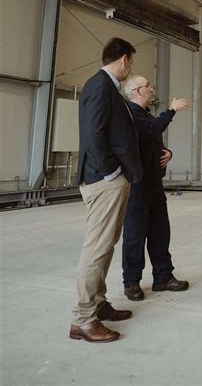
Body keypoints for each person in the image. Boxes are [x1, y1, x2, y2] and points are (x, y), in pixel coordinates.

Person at [70, 37, 142, 343]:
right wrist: (113, 172)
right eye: (132, 62)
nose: (130, 68)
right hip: (104, 180)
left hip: (106, 178)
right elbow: (94, 133)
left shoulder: (105, 86)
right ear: (124, 59)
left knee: (106, 245)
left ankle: (97, 304)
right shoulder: (100, 85)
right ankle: (83, 319)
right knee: (97, 248)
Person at [121, 76, 190, 300]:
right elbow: (151, 129)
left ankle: (163, 277)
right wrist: (171, 110)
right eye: (148, 85)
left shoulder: (145, 115)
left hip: (154, 184)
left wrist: (167, 152)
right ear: (137, 91)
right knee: (135, 236)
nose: (152, 88)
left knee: (161, 232)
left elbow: (152, 139)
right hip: (136, 186)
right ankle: (131, 282)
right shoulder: (129, 114)